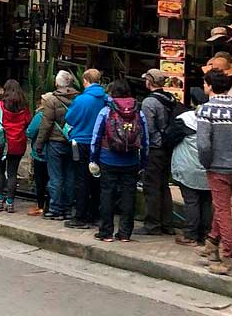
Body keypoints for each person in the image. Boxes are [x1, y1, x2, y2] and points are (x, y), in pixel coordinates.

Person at [196, 69, 232, 277]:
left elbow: (203, 144)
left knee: (223, 210)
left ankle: (229, 258)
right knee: (222, 207)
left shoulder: (206, 110)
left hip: (217, 167)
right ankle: (211, 244)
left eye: (204, 83)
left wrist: (206, 163)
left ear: (209, 86)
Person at [89, 80, 148, 243]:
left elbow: (96, 137)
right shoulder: (138, 112)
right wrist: (143, 161)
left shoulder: (106, 111)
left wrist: (93, 158)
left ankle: (106, 232)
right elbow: (145, 139)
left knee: (107, 194)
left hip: (108, 158)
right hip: (131, 160)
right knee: (128, 196)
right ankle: (125, 233)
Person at [63, 69, 108, 229]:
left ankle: (80, 216)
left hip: (80, 141)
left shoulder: (81, 99)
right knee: (96, 177)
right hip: (99, 143)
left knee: (81, 179)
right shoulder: (106, 99)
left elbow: (70, 118)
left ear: (85, 80)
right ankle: (94, 214)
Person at [164, 96, 211, 246]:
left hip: (188, 167)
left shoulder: (184, 120)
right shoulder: (215, 121)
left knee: (191, 201)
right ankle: (205, 235)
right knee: (206, 202)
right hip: (208, 168)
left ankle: (190, 235)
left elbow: (169, 139)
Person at [138, 68, 178, 236]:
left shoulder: (149, 102)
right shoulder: (170, 98)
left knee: (151, 186)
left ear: (150, 82)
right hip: (168, 147)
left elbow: (147, 129)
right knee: (163, 185)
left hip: (154, 148)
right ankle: (167, 224)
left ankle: (152, 224)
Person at [34, 71, 79, 220]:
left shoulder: (51, 100)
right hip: (73, 141)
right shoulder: (78, 98)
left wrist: (39, 144)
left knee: (55, 176)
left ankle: (55, 208)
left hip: (55, 141)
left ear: (57, 83)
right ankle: (68, 208)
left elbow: (46, 124)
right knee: (70, 175)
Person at [0, 79, 31, 213]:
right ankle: (10, 203)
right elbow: (28, 122)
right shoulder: (24, 107)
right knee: (12, 173)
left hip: (1, 143)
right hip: (18, 143)